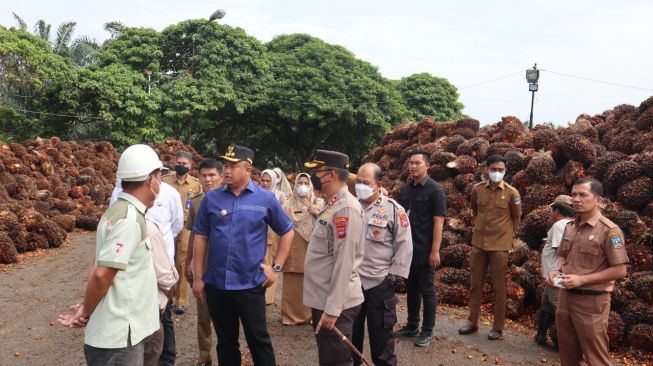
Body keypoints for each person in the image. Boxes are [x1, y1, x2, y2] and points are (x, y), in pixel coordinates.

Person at [58, 144, 162, 366]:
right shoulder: (128, 220)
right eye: (160, 177)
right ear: (150, 180)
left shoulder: (119, 211)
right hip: (120, 337)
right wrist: (86, 308)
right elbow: (101, 274)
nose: (160, 183)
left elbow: (98, 265)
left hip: (122, 331)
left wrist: (88, 303)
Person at [191, 144, 294, 366]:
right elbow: (200, 237)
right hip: (217, 284)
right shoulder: (212, 199)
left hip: (249, 284)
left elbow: (287, 231)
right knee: (226, 342)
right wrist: (198, 276)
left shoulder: (265, 199)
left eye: (233, 166)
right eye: (225, 165)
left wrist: (276, 268)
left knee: (258, 339)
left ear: (248, 169)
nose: (226, 170)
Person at [549, 178, 628, 366]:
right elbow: (563, 256)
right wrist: (556, 271)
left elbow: (620, 270)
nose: (576, 199)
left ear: (599, 200)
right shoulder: (570, 226)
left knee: (596, 358)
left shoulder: (610, 231)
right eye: (574, 195)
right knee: (568, 355)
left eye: (583, 195)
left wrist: (582, 279)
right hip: (565, 298)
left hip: (591, 303)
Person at [303, 149, 365, 366]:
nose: (314, 177)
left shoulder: (346, 208)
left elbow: (344, 262)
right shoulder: (332, 203)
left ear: (330, 174)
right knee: (328, 358)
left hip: (336, 303)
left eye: (317, 172)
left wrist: (332, 309)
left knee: (336, 361)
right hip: (325, 298)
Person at [352, 163, 413, 366]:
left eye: (366, 183)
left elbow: (404, 245)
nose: (360, 186)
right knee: (350, 338)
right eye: (358, 182)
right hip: (351, 282)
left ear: (378, 184)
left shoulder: (393, 210)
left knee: (382, 343)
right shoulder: (350, 207)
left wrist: (393, 277)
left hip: (379, 282)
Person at [458, 154, 522, 341]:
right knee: (474, 285)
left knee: (499, 287)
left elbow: (516, 218)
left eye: (500, 170)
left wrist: (509, 237)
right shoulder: (477, 190)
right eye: (493, 169)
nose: (496, 173)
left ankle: (498, 327)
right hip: (479, 243)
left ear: (505, 171)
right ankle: (472, 321)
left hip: (500, 246)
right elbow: (475, 210)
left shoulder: (512, 193)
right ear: (486, 169)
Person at [395, 149, 446, 347]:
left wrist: (435, 250)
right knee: (411, 289)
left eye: (417, 163)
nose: (413, 166)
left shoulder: (435, 190)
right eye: (411, 163)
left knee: (427, 290)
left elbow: (438, 222)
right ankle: (412, 325)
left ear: (427, 166)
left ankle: (427, 331)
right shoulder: (405, 190)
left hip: (425, 250)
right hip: (408, 250)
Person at [184, 158, 223, 366]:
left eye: (212, 175)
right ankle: (204, 356)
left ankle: (226, 355)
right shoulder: (197, 202)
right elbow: (193, 235)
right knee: (203, 317)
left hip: (224, 268)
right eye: (203, 175)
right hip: (203, 268)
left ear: (221, 176)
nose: (207, 180)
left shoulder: (231, 199)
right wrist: (188, 262)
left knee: (225, 318)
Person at [280, 173, 324, 325]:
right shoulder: (288, 204)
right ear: (295, 184)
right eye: (300, 183)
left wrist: (316, 212)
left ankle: (309, 316)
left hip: (312, 247)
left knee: (310, 282)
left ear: (311, 184)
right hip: (293, 247)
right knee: (292, 283)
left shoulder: (318, 202)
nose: (303, 186)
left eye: (306, 182)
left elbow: (326, 222)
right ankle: (289, 316)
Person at [162, 150, 202, 315]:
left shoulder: (195, 184)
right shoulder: (164, 182)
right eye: (179, 162)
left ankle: (181, 300)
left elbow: (198, 205)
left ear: (190, 166)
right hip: (167, 226)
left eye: (184, 163)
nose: (181, 165)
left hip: (186, 226)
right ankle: (167, 297)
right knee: (165, 260)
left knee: (182, 260)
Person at [535, 195, 574, 346]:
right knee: (546, 303)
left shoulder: (560, 225)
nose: (551, 212)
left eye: (552, 209)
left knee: (557, 304)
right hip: (554, 275)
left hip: (556, 274)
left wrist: (558, 272)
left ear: (557, 210)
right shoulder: (571, 223)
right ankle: (540, 336)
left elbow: (561, 250)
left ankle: (569, 342)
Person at [143, 213, 179, 366]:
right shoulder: (146, 225)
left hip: (164, 263)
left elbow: (177, 225)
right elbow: (165, 278)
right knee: (150, 350)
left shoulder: (109, 217)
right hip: (151, 291)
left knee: (165, 322)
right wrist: (169, 285)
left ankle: (167, 361)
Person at [260, 169, 287, 305]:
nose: (265, 183)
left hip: (274, 235)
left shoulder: (279, 195)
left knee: (272, 264)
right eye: (263, 180)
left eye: (268, 181)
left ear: (274, 182)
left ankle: (268, 298)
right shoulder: (256, 194)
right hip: (259, 236)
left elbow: (284, 216)